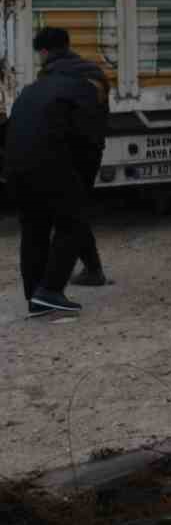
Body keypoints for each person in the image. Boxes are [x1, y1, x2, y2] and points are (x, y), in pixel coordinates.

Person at [4, 27, 108, 317]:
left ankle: (36, 297)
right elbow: (91, 139)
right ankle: (49, 291)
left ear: (44, 54)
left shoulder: (33, 87)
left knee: (34, 228)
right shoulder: (88, 83)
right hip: (51, 164)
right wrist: (83, 183)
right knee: (73, 223)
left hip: (16, 166)